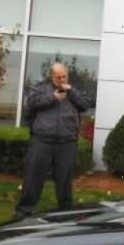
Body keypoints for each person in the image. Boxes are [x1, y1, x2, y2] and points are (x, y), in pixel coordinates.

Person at [14, 63, 90, 218]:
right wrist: (52, 97)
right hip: (42, 140)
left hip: (67, 141)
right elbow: (31, 102)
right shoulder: (41, 88)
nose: (62, 79)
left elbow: (85, 104)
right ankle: (24, 211)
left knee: (65, 180)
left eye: (64, 76)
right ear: (51, 76)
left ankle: (66, 211)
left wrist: (70, 92)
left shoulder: (73, 90)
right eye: (58, 77)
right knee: (33, 177)